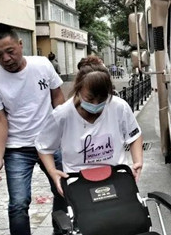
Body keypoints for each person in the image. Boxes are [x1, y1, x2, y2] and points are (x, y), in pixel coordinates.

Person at [0, 23, 67, 235]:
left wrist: (62, 133)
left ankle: (60, 230)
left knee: (63, 189)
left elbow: (57, 99)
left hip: (49, 144)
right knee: (18, 202)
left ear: (20, 45)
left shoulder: (42, 65)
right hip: (17, 148)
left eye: (10, 51)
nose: (6, 59)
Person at [35, 57, 144, 196]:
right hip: (78, 180)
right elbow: (43, 147)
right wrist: (53, 172)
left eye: (102, 99)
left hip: (116, 175)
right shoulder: (63, 114)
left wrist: (138, 162)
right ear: (78, 90)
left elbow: (134, 136)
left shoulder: (118, 106)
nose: (96, 104)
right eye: (90, 99)